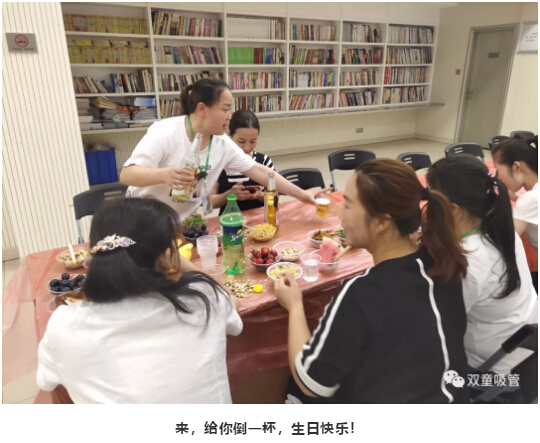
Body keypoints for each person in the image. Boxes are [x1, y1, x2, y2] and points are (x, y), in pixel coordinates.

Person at [275, 159, 470, 404]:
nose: (340, 215)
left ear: (381, 222)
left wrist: (295, 306)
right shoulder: (444, 264)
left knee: (294, 387)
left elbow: (310, 383)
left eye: (347, 205)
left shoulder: (360, 293)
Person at [37, 198, 242, 403]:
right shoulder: (204, 301)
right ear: (165, 257)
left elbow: (46, 382)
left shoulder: (64, 326)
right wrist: (182, 263)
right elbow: (227, 299)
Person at [119, 78, 326, 220]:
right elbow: (127, 175)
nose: (230, 116)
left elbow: (260, 171)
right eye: (225, 109)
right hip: (141, 219)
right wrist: (164, 175)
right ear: (202, 109)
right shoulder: (165, 132)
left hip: (178, 221)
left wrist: (303, 195)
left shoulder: (221, 143)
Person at [427, 155, 538, 376]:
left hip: (492, 364)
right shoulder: (500, 229)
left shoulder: (467, 261)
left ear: (453, 209)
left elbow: (437, 325)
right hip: (526, 343)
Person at [491, 135, 538, 291]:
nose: (499, 178)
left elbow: (505, 240)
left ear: (516, 167)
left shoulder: (530, 199)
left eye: (499, 172)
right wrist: (515, 197)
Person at [211, 110, 274, 214]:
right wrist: (229, 195)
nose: (247, 147)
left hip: (259, 219)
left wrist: (261, 196)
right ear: (229, 136)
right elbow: (209, 202)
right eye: (241, 141)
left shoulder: (264, 161)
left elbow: (275, 198)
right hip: (229, 220)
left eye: (253, 141)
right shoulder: (218, 162)